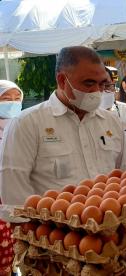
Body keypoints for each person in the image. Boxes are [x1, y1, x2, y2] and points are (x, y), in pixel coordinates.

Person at [0, 46, 126, 206]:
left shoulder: (112, 122)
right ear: (62, 80)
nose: (97, 91)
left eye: (102, 84)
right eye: (89, 83)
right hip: (50, 228)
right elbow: (14, 192)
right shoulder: (27, 124)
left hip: (109, 226)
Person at [0, 80, 23, 275]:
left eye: (17, 99)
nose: (13, 103)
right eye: (6, 99)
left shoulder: (23, 126)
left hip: (16, 198)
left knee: (14, 252)